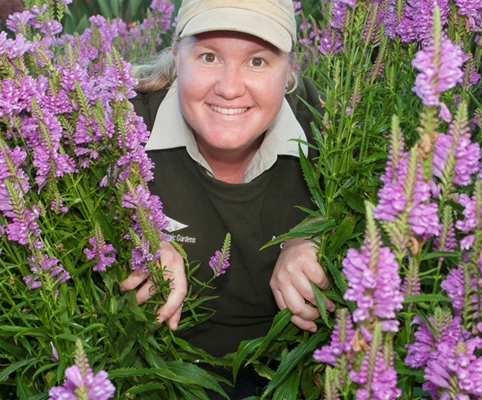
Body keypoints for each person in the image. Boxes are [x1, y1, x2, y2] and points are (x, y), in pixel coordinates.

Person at [121, 0, 331, 396]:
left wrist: (318, 237)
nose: (230, 88)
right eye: (209, 56)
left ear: (289, 69)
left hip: (285, 372)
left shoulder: (334, 133)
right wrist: (131, 234)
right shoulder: (119, 123)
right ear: (176, 56)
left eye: (257, 61)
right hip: (150, 373)